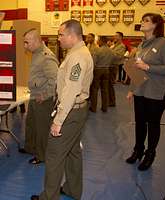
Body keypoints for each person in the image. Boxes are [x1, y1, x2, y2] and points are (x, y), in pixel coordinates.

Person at [31, 19, 93, 200]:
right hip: (76, 111)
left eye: (60, 34)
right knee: (73, 152)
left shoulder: (78, 57)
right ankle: (73, 189)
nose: (58, 38)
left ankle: (49, 197)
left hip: (70, 112)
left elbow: (71, 90)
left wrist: (58, 121)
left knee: (54, 155)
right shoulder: (77, 53)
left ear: (72, 35)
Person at [126, 13, 165, 171]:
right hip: (141, 91)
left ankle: (150, 154)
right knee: (140, 123)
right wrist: (131, 90)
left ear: (156, 25)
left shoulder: (164, 44)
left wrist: (148, 67)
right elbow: (136, 68)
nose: (142, 22)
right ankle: (138, 150)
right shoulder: (142, 45)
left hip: (157, 93)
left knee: (153, 124)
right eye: (142, 20)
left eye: (146, 20)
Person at [18, 29, 58, 164]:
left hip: (43, 99)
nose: (25, 46)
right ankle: (31, 148)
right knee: (31, 125)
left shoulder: (47, 56)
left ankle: (41, 156)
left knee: (41, 129)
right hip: (35, 96)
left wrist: (45, 95)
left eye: (26, 42)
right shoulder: (36, 53)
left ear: (36, 41)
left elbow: (55, 80)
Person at [90, 36, 115, 112]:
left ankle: (93, 107)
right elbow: (112, 61)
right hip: (106, 70)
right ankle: (104, 107)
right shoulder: (111, 51)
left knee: (94, 89)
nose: (97, 42)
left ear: (101, 41)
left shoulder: (98, 50)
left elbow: (94, 62)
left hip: (98, 70)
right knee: (105, 89)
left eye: (98, 40)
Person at [109, 32, 126, 107]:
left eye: (116, 36)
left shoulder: (122, 46)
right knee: (108, 85)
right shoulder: (114, 45)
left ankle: (112, 102)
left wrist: (109, 51)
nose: (114, 36)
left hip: (114, 66)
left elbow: (118, 56)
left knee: (110, 85)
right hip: (110, 65)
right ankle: (109, 100)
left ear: (121, 37)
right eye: (114, 35)